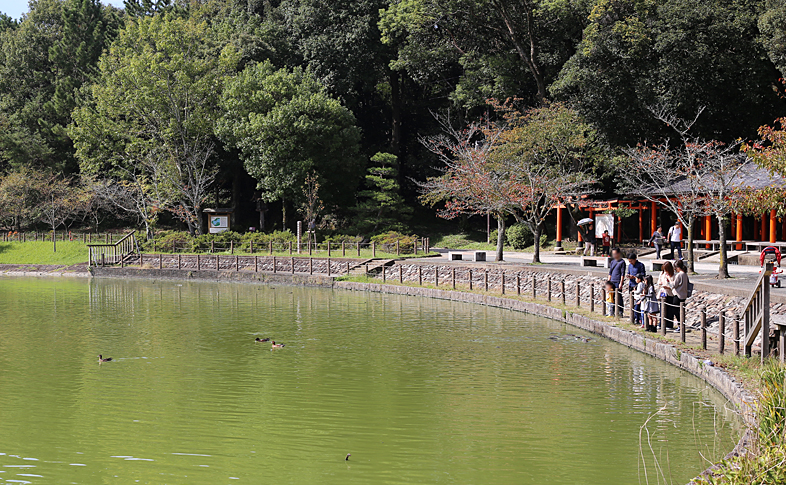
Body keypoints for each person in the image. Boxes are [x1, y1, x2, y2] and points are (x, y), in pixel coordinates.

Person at [672, 260, 690, 333]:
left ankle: (680, 326)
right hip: (684, 295)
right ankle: (681, 325)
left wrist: (669, 281)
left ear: (677, 267)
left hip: (678, 295)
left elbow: (674, 285)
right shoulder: (685, 274)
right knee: (681, 311)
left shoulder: (679, 275)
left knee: (676, 311)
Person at [657, 261, 676, 329]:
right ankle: (661, 323)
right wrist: (661, 283)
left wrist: (668, 282)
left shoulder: (673, 275)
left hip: (670, 293)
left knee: (669, 310)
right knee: (662, 308)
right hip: (663, 292)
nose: (665, 271)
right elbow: (659, 282)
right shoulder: (662, 274)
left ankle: (669, 324)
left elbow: (673, 285)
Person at [608, 248, 626, 315]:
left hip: (618, 280)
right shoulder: (612, 261)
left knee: (619, 296)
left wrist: (621, 283)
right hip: (612, 280)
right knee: (611, 296)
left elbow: (622, 274)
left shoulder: (622, 262)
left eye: (615, 253)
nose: (614, 255)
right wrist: (608, 281)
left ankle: (620, 311)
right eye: (613, 254)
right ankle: (612, 311)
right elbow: (610, 272)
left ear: (619, 253)